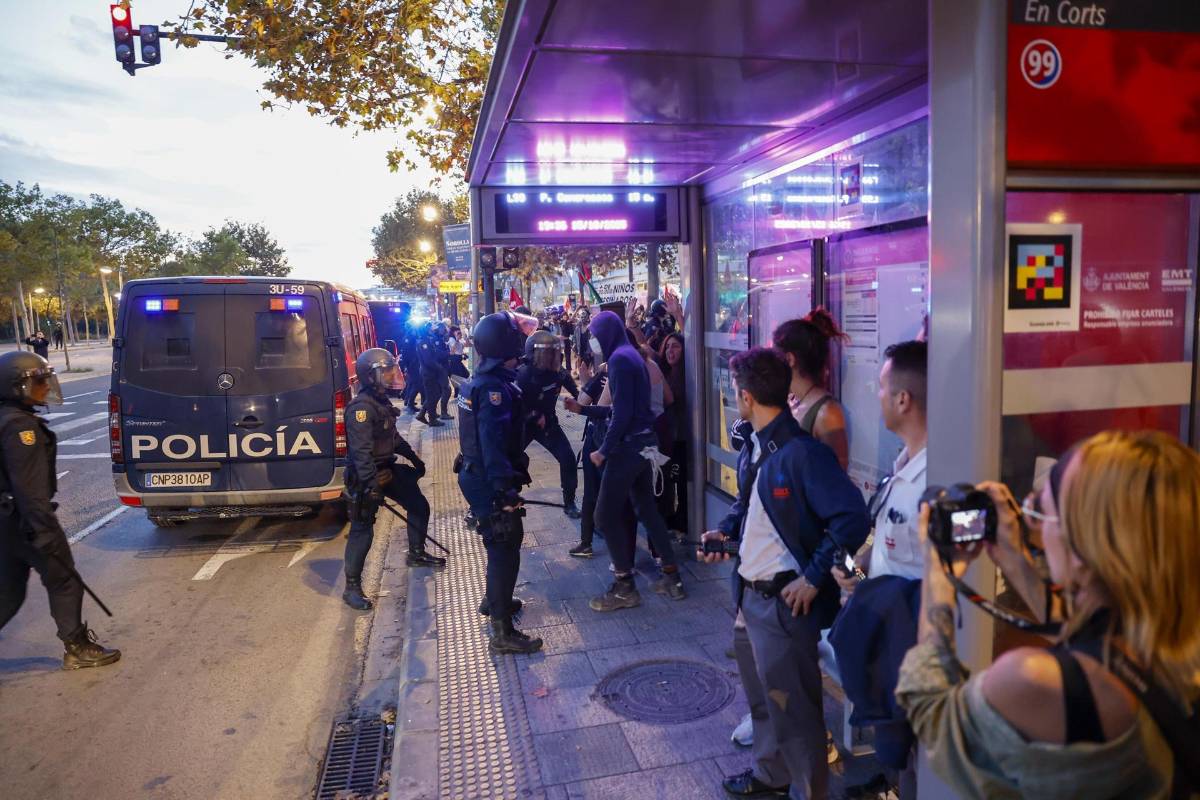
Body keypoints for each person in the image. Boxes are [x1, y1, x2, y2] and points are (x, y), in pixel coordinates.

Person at [897, 430, 1200, 798]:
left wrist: (938, 575)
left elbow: (934, 716)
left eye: (1043, 513)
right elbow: (1096, 643)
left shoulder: (1034, 681)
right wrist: (1014, 561)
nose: (1035, 528)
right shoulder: (1171, 641)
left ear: (1085, 546)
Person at [699, 347, 869, 800]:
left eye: (736, 392)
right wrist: (726, 533)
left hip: (781, 606)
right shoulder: (757, 443)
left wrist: (814, 577)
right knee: (764, 704)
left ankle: (809, 792)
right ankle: (771, 775)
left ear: (747, 396)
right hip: (749, 599)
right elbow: (752, 506)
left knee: (796, 715)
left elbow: (852, 518)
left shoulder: (802, 453)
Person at [829, 339, 928, 798]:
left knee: (916, 763)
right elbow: (894, 548)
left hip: (914, 651)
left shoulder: (935, 484)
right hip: (893, 642)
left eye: (883, 387)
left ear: (903, 400)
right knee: (901, 759)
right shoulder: (906, 466)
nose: (878, 395)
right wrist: (862, 565)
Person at [0, 351, 121, 669]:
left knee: (9, 592)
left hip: (8, 523)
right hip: (27, 522)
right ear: (15, 387)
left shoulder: (6, 418)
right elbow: (29, 489)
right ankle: (77, 647)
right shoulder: (20, 429)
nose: (43, 388)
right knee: (64, 580)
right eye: (37, 382)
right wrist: (43, 531)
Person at [456, 310, 544, 655]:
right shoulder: (492, 389)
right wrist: (503, 491)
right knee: (505, 547)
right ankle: (501, 631)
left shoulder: (481, 382)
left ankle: (495, 602)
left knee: (501, 544)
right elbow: (492, 445)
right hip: (486, 479)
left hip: (476, 474)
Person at [585, 310, 686, 609]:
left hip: (629, 449)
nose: (593, 340)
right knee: (647, 509)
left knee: (603, 516)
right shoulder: (634, 356)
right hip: (646, 443)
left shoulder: (618, 360)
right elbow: (630, 408)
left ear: (606, 334)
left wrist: (603, 450)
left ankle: (624, 586)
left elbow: (622, 413)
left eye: (594, 334)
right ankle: (672, 577)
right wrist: (582, 411)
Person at [342, 348, 441, 611]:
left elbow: (392, 438)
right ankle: (351, 587)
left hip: (387, 468)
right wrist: (371, 486)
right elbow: (361, 452)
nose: (389, 375)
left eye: (390, 370)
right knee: (363, 529)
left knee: (419, 506)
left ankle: (416, 553)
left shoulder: (381, 402)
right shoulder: (361, 409)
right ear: (369, 376)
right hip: (366, 477)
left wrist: (414, 458)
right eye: (383, 371)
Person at [516, 330, 582, 519]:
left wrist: (584, 401)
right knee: (508, 459)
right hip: (524, 425)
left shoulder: (558, 373)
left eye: (555, 353)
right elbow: (514, 406)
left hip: (548, 424)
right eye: (548, 353)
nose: (554, 358)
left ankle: (569, 502)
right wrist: (534, 415)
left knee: (568, 459)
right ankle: (500, 496)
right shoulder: (522, 374)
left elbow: (579, 395)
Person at [773, 309, 850, 469]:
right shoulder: (794, 401)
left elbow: (835, 483)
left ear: (789, 359)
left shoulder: (827, 413)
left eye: (775, 356)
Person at [563, 361, 607, 558]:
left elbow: (586, 402)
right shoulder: (639, 368)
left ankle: (588, 540)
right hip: (618, 440)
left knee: (593, 491)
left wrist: (587, 380)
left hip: (600, 439)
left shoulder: (610, 370)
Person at [656, 333, 687, 538]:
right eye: (667, 347)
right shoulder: (666, 372)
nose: (670, 351)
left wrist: (678, 317)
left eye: (675, 346)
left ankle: (682, 522)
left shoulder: (688, 372)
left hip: (682, 438)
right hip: (669, 438)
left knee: (681, 483)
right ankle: (672, 520)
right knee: (668, 482)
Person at [417, 322, 450, 426]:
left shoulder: (427, 340)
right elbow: (428, 360)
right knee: (432, 395)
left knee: (435, 394)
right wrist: (439, 368)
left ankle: (423, 415)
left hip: (431, 372)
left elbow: (435, 353)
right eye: (430, 328)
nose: (433, 329)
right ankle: (431, 419)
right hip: (428, 373)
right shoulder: (424, 342)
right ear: (425, 330)